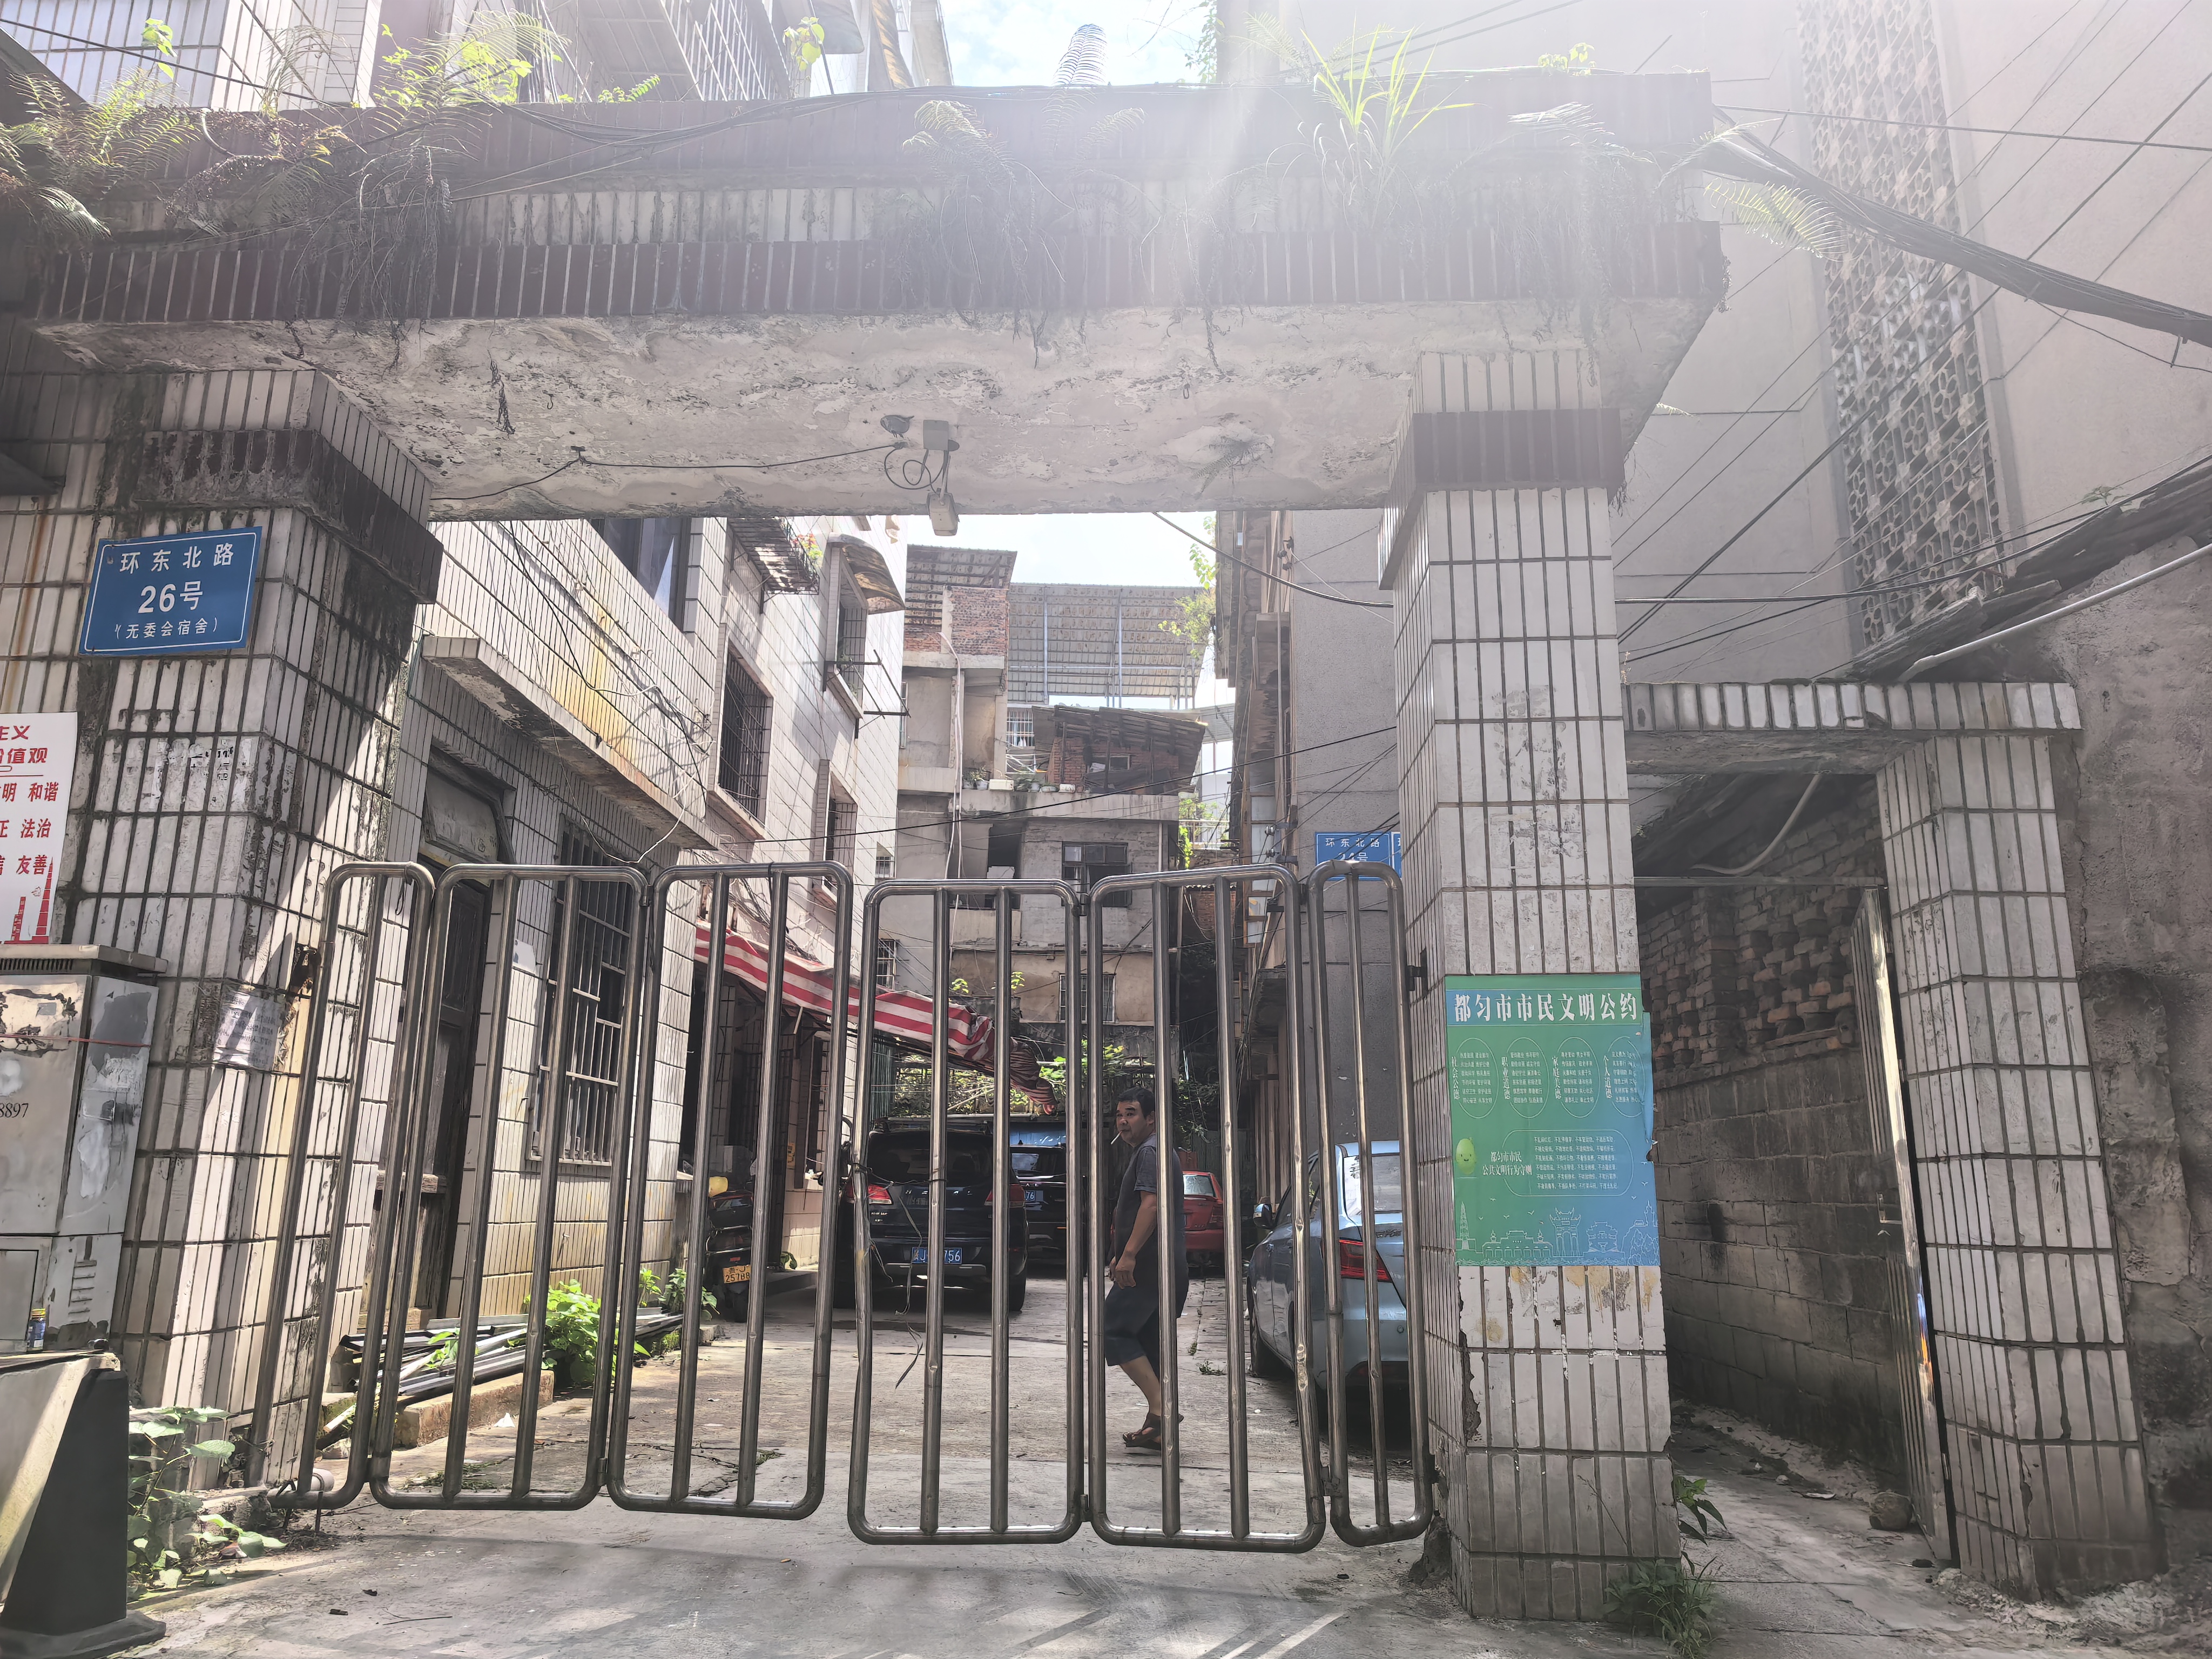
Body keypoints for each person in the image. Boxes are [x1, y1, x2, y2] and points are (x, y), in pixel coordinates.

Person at [1102, 1084, 1188, 1452]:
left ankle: (1162, 1410)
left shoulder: (1151, 1151)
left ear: (1151, 1118)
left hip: (1151, 1266)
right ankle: (1158, 1429)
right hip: (1161, 1265)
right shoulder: (1152, 1150)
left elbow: (1151, 1206)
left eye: (1131, 1114)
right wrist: (1119, 1252)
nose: (1123, 1121)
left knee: (1111, 1329)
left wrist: (1130, 1255)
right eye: (1119, 1115)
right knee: (1150, 1342)